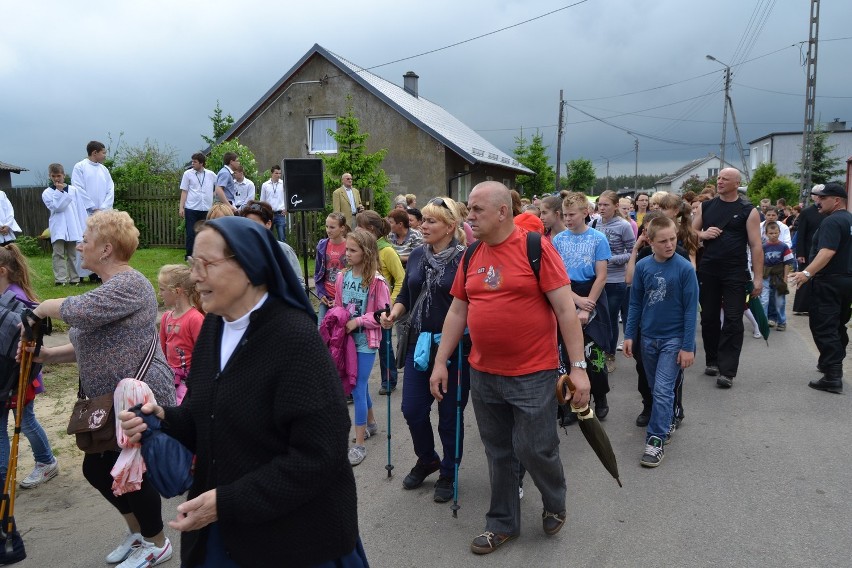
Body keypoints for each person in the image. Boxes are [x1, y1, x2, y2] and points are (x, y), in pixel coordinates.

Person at [119, 216, 368, 567]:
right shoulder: (213, 329)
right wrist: (165, 418)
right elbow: (205, 415)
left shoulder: (295, 339)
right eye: (193, 264)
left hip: (296, 543)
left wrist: (227, 501)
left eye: (206, 264)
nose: (194, 276)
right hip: (229, 533)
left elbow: (319, 456)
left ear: (250, 266)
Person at [428, 181, 590, 555]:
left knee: (535, 448)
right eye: (469, 210)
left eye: (476, 210)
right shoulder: (470, 256)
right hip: (483, 373)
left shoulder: (536, 248)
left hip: (533, 373)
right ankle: (501, 523)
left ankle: (554, 499)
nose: (470, 217)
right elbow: (457, 310)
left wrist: (579, 368)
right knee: (498, 451)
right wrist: (440, 362)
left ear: (503, 212)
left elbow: (566, 310)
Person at [25, 210, 176, 567]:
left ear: (106, 249)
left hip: (139, 397)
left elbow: (75, 309)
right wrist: (45, 355)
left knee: (131, 473)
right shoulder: (108, 288)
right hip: (109, 402)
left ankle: (157, 543)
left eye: (85, 241)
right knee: (97, 470)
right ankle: (139, 533)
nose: (79, 246)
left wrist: (41, 308)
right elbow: (86, 345)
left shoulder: (130, 284)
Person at [380, 196, 470, 502]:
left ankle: (448, 470)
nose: (424, 225)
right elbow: (407, 291)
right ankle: (428, 458)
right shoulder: (417, 254)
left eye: (431, 221)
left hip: (455, 348)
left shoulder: (465, 259)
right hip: (419, 342)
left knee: (449, 414)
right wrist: (394, 312)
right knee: (413, 409)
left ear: (450, 227)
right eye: (425, 220)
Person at [623, 216, 698, 468]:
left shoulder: (684, 268)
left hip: (674, 339)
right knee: (657, 390)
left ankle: (656, 439)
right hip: (648, 339)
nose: (669, 245)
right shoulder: (643, 267)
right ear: (650, 241)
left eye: (673, 239)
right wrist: (630, 334)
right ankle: (669, 417)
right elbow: (635, 303)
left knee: (663, 390)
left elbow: (690, 310)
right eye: (663, 241)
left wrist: (688, 346)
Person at [692, 168, 763, 389]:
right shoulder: (706, 206)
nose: (720, 181)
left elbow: (756, 245)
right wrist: (702, 234)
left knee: (733, 319)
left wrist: (758, 278)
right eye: (719, 178)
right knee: (709, 318)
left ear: (736, 183)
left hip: (735, 272)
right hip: (709, 270)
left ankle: (727, 371)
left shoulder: (748, 210)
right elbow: (688, 231)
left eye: (725, 179)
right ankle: (712, 360)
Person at [0, 244, 59, 489]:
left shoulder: (19, 299)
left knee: (25, 421)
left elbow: (34, 334)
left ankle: (46, 461)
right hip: (4, 377)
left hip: (22, 376)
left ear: (2, 271)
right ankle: (3, 478)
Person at [552, 192, 611, 419]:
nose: (567, 219)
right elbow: (556, 277)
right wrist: (575, 300)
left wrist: (587, 307)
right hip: (567, 293)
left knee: (592, 351)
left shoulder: (598, 238)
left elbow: (602, 276)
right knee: (566, 354)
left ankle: (600, 395)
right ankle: (568, 401)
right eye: (564, 215)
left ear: (585, 213)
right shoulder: (559, 240)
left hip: (592, 295)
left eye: (572, 214)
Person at [335, 229, 390, 466]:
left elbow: (383, 314)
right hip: (347, 340)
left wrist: (358, 321)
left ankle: (359, 444)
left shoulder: (377, 282)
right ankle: (371, 423)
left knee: (357, 387)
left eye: (352, 250)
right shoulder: (341, 277)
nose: (347, 254)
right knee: (359, 384)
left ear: (366, 253)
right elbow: (338, 307)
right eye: (346, 249)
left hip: (366, 342)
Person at [789, 182, 851, 394]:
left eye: (823, 198)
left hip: (829, 281)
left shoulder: (831, 222)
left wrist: (806, 273)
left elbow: (827, 252)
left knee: (824, 325)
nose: (818, 201)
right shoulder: (850, 220)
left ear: (836, 201)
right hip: (846, 281)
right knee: (838, 324)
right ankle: (830, 363)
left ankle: (833, 375)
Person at [357, 210, 405, 394]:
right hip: (365, 306)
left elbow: (401, 279)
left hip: (382, 309)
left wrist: (389, 306)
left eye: (359, 227)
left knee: (384, 345)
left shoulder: (387, 251)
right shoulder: (363, 249)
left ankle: (389, 379)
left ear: (370, 229)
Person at [591, 190, 635, 371]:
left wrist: (609, 259)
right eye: (599, 204)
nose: (601, 208)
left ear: (616, 206)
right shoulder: (594, 223)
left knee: (609, 318)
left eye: (605, 205)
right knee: (597, 318)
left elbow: (632, 252)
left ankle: (609, 354)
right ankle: (598, 353)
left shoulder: (623, 225)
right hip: (596, 279)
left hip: (615, 280)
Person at [157, 264, 204, 405]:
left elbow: (203, 354)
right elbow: (162, 353)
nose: (159, 294)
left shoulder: (195, 318)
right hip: (170, 378)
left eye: (162, 289)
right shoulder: (166, 317)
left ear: (177, 291)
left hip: (190, 381)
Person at [238, 200, 304, 286]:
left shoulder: (284, 250)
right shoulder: (240, 252)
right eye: (247, 224)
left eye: (255, 224)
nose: (250, 228)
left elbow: (299, 284)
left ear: (268, 224)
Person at [42, 163, 86, 286]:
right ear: (50, 176)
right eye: (54, 176)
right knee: (58, 253)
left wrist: (83, 228)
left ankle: (74, 279)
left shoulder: (73, 190)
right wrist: (59, 191)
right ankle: (60, 279)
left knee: (72, 254)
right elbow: (56, 207)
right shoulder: (47, 193)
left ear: (64, 175)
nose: (57, 178)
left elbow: (80, 209)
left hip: (73, 226)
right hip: (58, 226)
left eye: (59, 175)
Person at [179, 152, 217, 260]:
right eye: (192, 161)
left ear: (201, 163)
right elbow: (184, 191)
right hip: (191, 208)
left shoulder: (211, 174)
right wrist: (181, 207)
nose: (192, 164)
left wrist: (213, 194)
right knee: (191, 233)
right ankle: (189, 255)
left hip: (206, 209)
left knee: (206, 232)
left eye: (195, 162)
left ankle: (204, 254)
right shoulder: (187, 174)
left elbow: (219, 187)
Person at [315, 212, 350, 324]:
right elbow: (318, 273)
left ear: (342, 228)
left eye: (332, 227)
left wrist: (339, 299)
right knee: (321, 331)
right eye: (327, 226)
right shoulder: (322, 245)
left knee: (340, 333)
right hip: (327, 297)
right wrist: (321, 294)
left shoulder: (350, 246)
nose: (328, 230)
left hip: (344, 299)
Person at [760, 222, 794, 332]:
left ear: (779, 233)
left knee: (780, 300)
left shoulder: (784, 247)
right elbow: (759, 262)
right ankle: (763, 322)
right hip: (766, 276)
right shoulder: (763, 247)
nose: (773, 235)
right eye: (771, 233)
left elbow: (787, 263)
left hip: (779, 277)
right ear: (766, 233)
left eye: (776, 233)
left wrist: (785, 279)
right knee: (764, 300)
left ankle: (781, 322)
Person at [792, 200, 824, 314]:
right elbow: (800, 234)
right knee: (804, 277)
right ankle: (801, 307)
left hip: (822, 249)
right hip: (806, 250)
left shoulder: (828, 212)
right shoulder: (806, 212)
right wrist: (800, 253)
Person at [72, 140, 114, 215]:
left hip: (104, 214)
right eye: (103, 153)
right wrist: (92, 208)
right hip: (86, 213)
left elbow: (110, 189)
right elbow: (78, 189)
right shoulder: (79, 167)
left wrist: (103, 209)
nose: (105, 155)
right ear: (94, 153)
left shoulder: (104, 169)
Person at [259, 166, 287, 241]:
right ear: (272, 173)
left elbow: (287, 198)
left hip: (280, 213)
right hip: (269, 213)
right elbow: (262, 200)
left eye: (280, 173)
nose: (278, 175)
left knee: (282, 237)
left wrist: (286, 209)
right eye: (276, 173)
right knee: (268, 236)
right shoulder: (265, 185)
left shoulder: (283, 184)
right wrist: (263, 212)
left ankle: (282, 252)